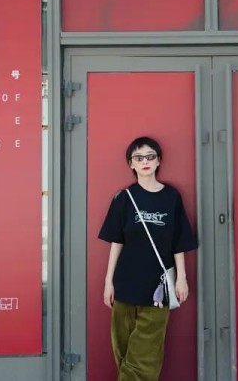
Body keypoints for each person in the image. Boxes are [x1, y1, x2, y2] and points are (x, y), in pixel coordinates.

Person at [98, 136, 198, 381]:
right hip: (124, 287)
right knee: (123, 352)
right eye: (138, 157)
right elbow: (116, 242)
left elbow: (179, 241)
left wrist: (182, 278)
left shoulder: (171, 197)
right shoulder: (124, 198)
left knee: (145, 358)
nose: (145, 161)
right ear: (131, 164)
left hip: (157, 290)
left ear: (158, 161)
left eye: (150, 156)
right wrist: (108, 282)